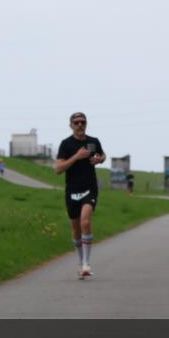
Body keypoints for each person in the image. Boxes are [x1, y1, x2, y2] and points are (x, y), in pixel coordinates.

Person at [55, 112, 105, 279]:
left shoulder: (93, 141)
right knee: (75, 229)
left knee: (85, 221)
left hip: (90, 188)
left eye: (82, 122)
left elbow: (102, 155)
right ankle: (81, 261)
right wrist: (76, 157)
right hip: (72, 190)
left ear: (86, 124)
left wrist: (100, 160)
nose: (80, 125)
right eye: (76, 122)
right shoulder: (66, 144)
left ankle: (86, 264)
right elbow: (58, 169)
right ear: (71, 125)